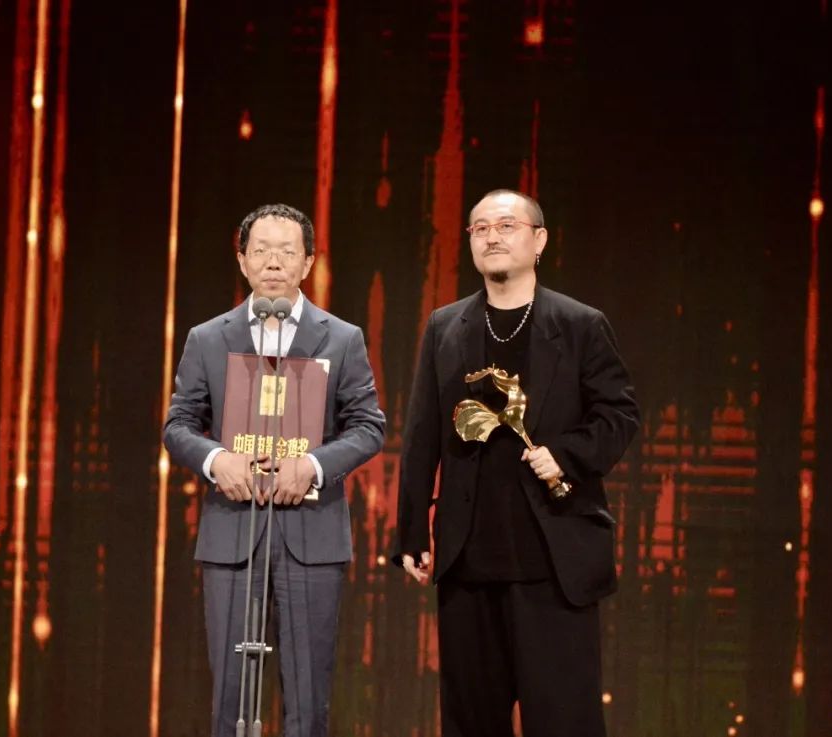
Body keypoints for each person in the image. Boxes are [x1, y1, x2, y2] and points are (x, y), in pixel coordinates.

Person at [395, 190, 640, 736]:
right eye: (480, 228)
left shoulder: (579, 324)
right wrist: (412, 530)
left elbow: (619, 415)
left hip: (554, 562)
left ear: (539, 240)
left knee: (565, 722)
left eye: (506, 226)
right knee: (471, 722)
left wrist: (567, 456)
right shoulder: (445, 326)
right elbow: (422, 435)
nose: (492, 237)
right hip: (469, 561)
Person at [164, 203, 385, 737]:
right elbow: (178, 425)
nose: (273, 262)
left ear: (308, 262)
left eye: (287, 252)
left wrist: (312, 465)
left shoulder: (342, 338)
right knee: (229, 694)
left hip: (311, 536)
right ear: (242, 260)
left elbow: (368, 427)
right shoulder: (208, 338)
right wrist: (217, 460)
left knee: (308, 697)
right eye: (260, 250)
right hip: (232, 533)